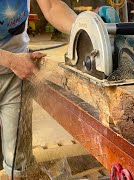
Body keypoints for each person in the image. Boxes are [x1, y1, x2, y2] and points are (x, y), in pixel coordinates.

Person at [0, 0, 77, 179]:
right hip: (14, 64)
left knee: (19, 162)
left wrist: (85, 27)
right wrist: (10, 60)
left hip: (15, 74)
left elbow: (51, 6)